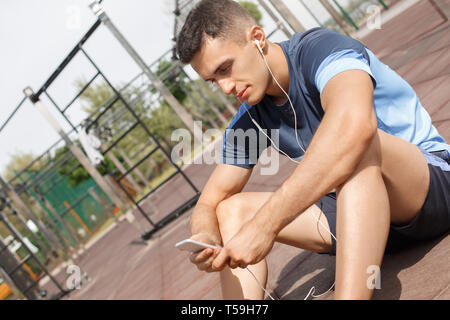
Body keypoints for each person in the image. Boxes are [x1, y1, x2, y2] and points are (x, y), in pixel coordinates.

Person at [175, 0, 450, 300]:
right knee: (230, 210)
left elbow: (354, 128)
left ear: (257, 38)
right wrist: (205, 236)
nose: (226, 87)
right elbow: (209, 202)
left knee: (355, 145)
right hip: (364, 222)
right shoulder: (251, 115)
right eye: (214, 81)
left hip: (428, 191)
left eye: (225, 69)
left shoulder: (319, 50)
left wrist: (266, 225)